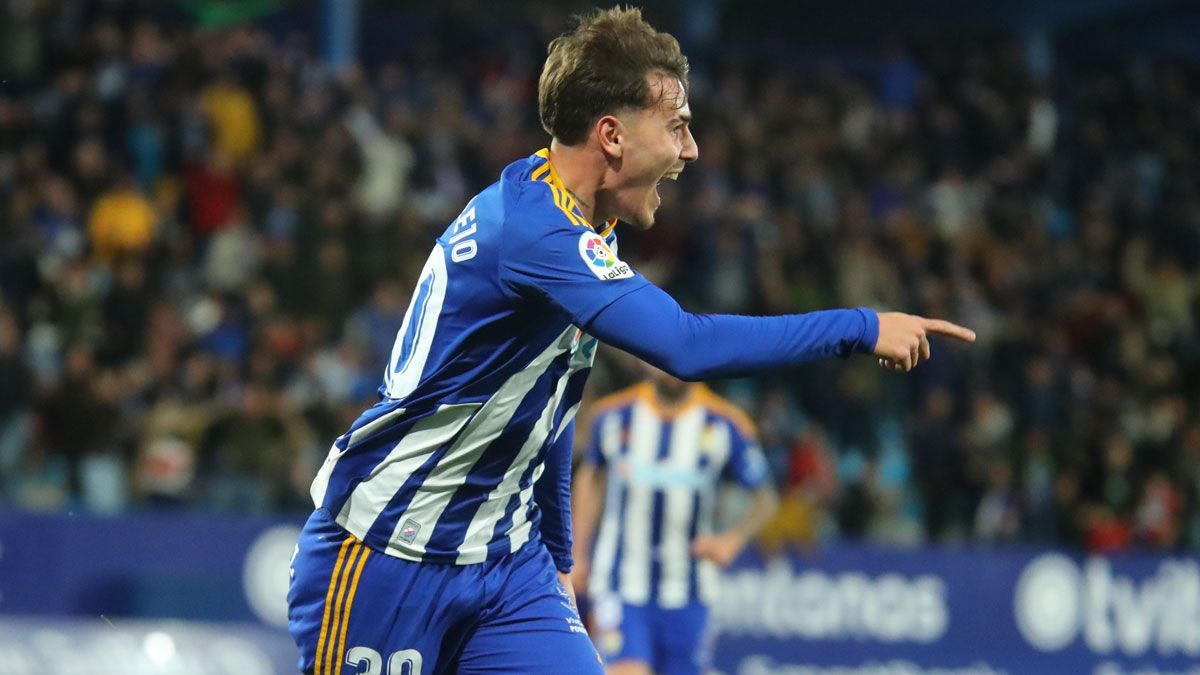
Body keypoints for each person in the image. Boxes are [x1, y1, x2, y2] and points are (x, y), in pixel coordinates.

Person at [286, 7, 975, 675]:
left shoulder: (570, 218)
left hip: (504, 565)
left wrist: (557, 550)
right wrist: (860, 325)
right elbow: (685, 346)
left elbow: (545, 405)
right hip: (387, 551)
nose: (691, 150)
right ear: (613, 135)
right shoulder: (536, 234)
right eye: (677, 126)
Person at [572, 367, 779, 675]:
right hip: (619, 583)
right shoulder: (612, 415)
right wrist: (577, 551)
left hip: (689, 590)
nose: (667, 364)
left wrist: (732, 539)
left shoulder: (724, 423)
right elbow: (589, 480)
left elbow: (766, 497)